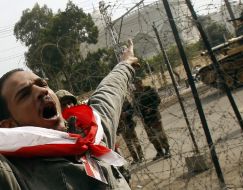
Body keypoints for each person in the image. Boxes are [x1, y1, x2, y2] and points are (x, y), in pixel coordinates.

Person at [0, 39, 138, 190]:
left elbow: (108, 94)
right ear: (8, 125)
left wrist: (125, 64)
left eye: (42, 84)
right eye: (25, 94)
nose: (42, 91)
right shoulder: (16, 175)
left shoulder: (91, 134)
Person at [133, 77, 171, 160]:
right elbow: (135, 107)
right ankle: (160, 151)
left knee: (160, 134)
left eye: (138, 82)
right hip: (145, 119)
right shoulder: (135, 95)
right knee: (152, 137)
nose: (137, 85)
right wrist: (138, 113)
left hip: (154, 116)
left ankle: (167, 150)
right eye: (135, 84)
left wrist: (151, 108)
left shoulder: (150, 90)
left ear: (141, 82)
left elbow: (157, 100)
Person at [117, 99, 144, 164]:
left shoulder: (124, 101)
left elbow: (132, 110)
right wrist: (117, 129)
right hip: (122, 127)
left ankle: (141, 156)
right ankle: (135, 158)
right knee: (129, 144)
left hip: (129, 124)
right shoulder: (114, 104)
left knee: (135, 141)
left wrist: (126, 113)